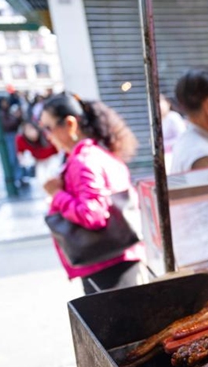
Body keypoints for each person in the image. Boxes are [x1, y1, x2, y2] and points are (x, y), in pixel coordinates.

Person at [39, 93, 143, 294]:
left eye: (49, 128)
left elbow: (92, 214)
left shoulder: (84, 161)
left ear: (69, 124)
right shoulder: (97, 153)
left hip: (107, 267)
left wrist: (57, 194)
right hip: (118, 261)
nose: (48, 136)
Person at [0, 96, 24, 188]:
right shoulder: (2, 113)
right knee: (12, 157)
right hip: (9, 136)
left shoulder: (8, 112)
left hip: (12, 135)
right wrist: (16, 118)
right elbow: (7, 125)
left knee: (16, 157)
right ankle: (16, 177)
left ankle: (19, 177)